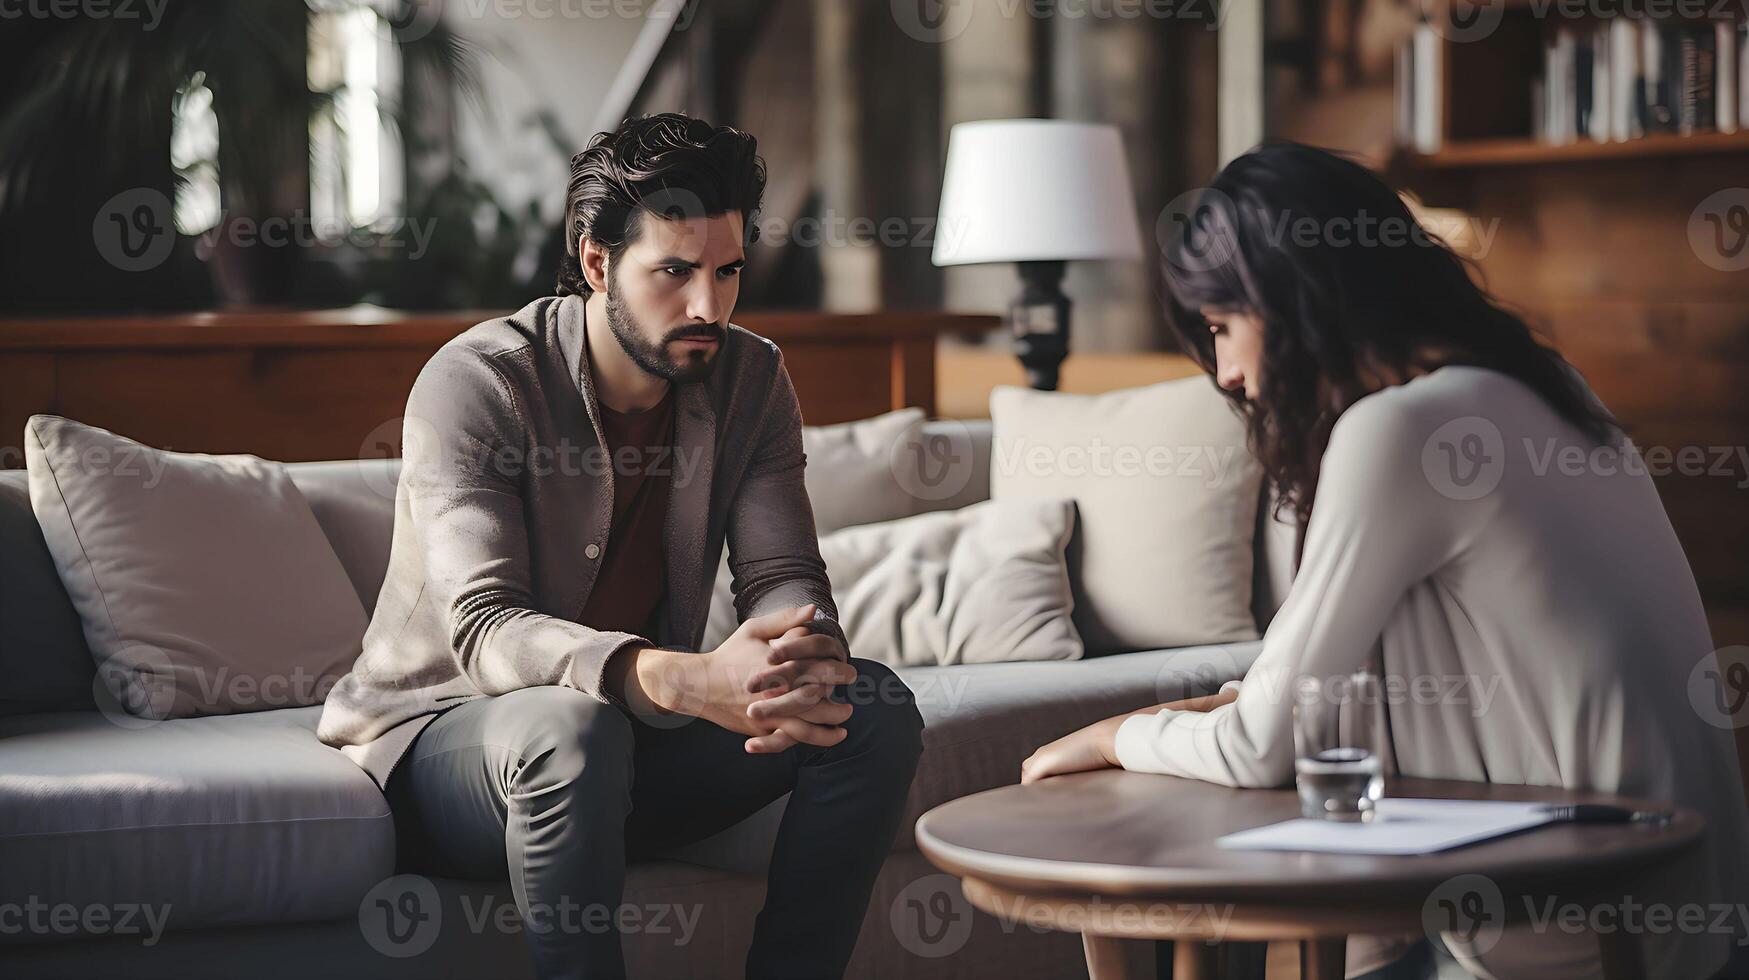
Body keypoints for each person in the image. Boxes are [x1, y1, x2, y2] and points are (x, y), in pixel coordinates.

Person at [1020, 141, 1749, 979]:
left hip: (1571, 922)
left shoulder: (1403, 429)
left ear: (1293, 295)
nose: (1225, 373)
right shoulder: (1540, 381)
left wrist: (1122, 735)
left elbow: (1262, 744)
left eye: (1224, 327)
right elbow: (1320, 692)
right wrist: (1237, 707)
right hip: (1676, 909)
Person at [317, 112, 924, 980]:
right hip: (451, 749)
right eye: (674, 272)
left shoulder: (751, 378)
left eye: (727, 271)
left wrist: (794, 653)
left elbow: (783, 574)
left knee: (869, 707)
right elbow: (483, 625)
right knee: (573, 729)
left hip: (633, 750)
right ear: (597, 261)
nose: (708, 306)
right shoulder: (479, 381)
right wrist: (678, 675)